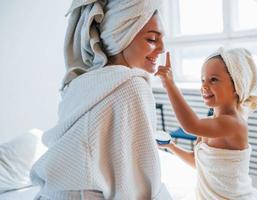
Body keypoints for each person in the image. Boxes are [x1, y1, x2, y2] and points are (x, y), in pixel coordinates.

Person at [30, 0, 172, 199]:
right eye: (151, 39)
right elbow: (141, 185)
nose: (162, 48)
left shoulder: (82, 82)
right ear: (121, 36)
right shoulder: (132, 85)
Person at [155, 48, 257, 200]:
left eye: (213, 79)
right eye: (202, 80)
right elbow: (198, 163)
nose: (204, 86)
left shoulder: (235, 124)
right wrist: (171, 146)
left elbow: (191, 125)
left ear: (237, 85)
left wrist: (170, 84)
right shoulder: (210, 124)